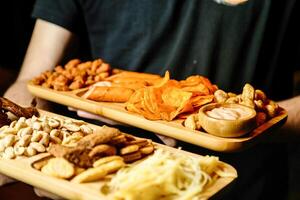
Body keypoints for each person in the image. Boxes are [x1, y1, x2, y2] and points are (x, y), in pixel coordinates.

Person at [3, 0, 300, 199]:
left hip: (236, 185)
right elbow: (32, 82)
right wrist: (12, 151)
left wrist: (239, 126)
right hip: (104, 182)